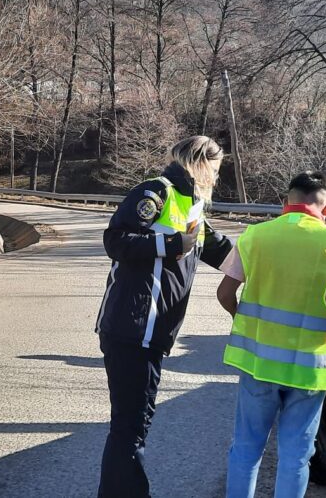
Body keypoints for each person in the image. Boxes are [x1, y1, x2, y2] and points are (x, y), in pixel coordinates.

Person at [216, 171, 326, 498]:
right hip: (307, 371)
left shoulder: (254, 236)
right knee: (295, 457)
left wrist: (241, 317)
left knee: (246, 450)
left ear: (285, 201)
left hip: (258, 364)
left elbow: (225, 293)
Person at [95, 135, 235, 497]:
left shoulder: (191, 204)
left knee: (132, 426)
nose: (217, 179)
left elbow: (216, 250)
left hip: (152, 331)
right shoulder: (155, 192)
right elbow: (115, 240)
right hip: (133, 327)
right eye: (215, 170)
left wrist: (262, 265)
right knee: (130, 428)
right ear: (200, 164)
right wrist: (171, 245)